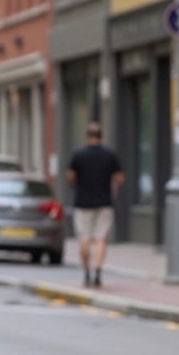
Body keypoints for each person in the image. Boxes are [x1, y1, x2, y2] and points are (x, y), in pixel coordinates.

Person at [67, 122, 124, 287]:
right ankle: (98, 271)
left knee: (84, 239)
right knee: (100, 239)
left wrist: (78, 184)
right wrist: (112, 186)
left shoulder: (78, 155)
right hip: (104, 202)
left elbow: (70, 176)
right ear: (101, 136)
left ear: (87, 136)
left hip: (82, 202)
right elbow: (120, 178)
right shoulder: (110, 155)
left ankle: (86, 273)